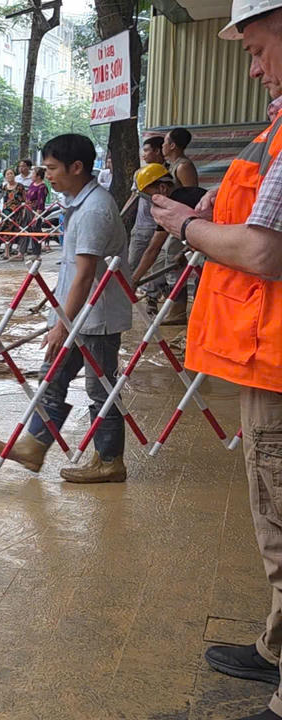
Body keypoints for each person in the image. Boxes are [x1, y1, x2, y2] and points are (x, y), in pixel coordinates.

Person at [149, 9, 282, 716]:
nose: (254, 69)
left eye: (258, 50)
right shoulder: (272, 132)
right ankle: (275, 647)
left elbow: (263, 252)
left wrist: (187, 225)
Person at [0, 134, 132, 483]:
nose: (46, 175)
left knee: (101, 391)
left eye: (51, 168)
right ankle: (34, 446)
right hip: (75, 314)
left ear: (76, 167)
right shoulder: (80, 204)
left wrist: (62, 323)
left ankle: (110, 460)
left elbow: (85, 275)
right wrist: (60, 319)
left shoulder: (95, 209)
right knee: (52, 378)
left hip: (95, 319)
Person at [130, 163, 207, 323]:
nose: (150, 202)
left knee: (205, 288)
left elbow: (153, 248)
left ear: (163, 188)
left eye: (148, 195)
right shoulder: (183, 196)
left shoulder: (175, 204)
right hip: (213, 247)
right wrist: (186, 250)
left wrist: (135, 279)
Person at [128, 137, 169, 299]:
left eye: (146, 150)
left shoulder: (170, 173)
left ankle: (154, 298)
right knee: (132, 263)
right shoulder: (140, 174)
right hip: (141, 227)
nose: (143, 154)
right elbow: (133, 197)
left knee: (159, 268)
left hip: (163, 226)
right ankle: (126, 297)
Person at [0, 168, 29, 260]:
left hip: (17, 211)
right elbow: (4, 200)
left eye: (11, 173)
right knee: (5, 231)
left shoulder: (20, 186)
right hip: (6, 212)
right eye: (7, 174)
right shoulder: (4, 187)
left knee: (18, 231)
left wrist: (23, 211)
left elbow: (24, 199)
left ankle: (20, 253)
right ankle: (7, 252)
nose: (9, 175)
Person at [24, 167, 49, 257]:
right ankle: (24, 250)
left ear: (38, 176)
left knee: (36, 229)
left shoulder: (42, 187)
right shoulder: (32, 184)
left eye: (33, 174)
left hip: (36, 211)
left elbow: (41, 203)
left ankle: (36, 252)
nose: (31, 175)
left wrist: (36, 216)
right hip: (28, 210)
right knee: (27, 230)